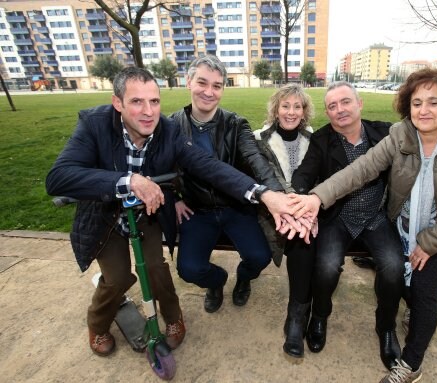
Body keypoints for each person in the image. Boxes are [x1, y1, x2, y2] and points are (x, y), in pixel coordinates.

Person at [45, 67, 296, 357]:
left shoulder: (168, 130)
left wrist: (263, 193)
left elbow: (209, 166)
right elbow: (58, 177)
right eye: (137, 102)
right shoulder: (95, 124)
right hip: (106, 214)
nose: (148, 111)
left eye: (154, 101)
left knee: (156, 269)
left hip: (146, 212)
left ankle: (173, 319)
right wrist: (128, 181)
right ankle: (97, 323)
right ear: (118, 104)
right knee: (117, 279)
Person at [294, 68, 437, 383]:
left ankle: (387, 329)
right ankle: (320, 317)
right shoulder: (400, 135)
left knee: (401, 274)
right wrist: (315, 198)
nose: (424, 110)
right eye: (417, 103)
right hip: (377, 221)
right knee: (336, 265)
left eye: (433, 102)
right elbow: (360, 169)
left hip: (429, 229)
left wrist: (429, 244)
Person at [169, 55, 288, 314]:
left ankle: (244, 278)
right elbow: (158, 169)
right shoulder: (171, 126)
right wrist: (174, 197)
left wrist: (276, 195)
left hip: (235, 206)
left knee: (260, 258)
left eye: (217, 85)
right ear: (188, 82)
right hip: (196, 209)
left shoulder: (236, 124)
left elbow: (255, 160)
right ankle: (217, 281)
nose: (209, 92)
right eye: (202, 83)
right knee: (188, 269)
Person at [252, 83, 315, 358]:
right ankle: (301, 315)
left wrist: (303, 209)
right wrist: (287, 207)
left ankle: (297, 317)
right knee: (301, 239)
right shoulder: (258, 139)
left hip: (306, 210)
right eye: (285, 106)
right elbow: (260, 180)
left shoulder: (316, 138)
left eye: (297, 106)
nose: (291, 112)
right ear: (276, 110)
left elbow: (318, 179)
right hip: (270, 213)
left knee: (305, 241)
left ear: (304, 112)